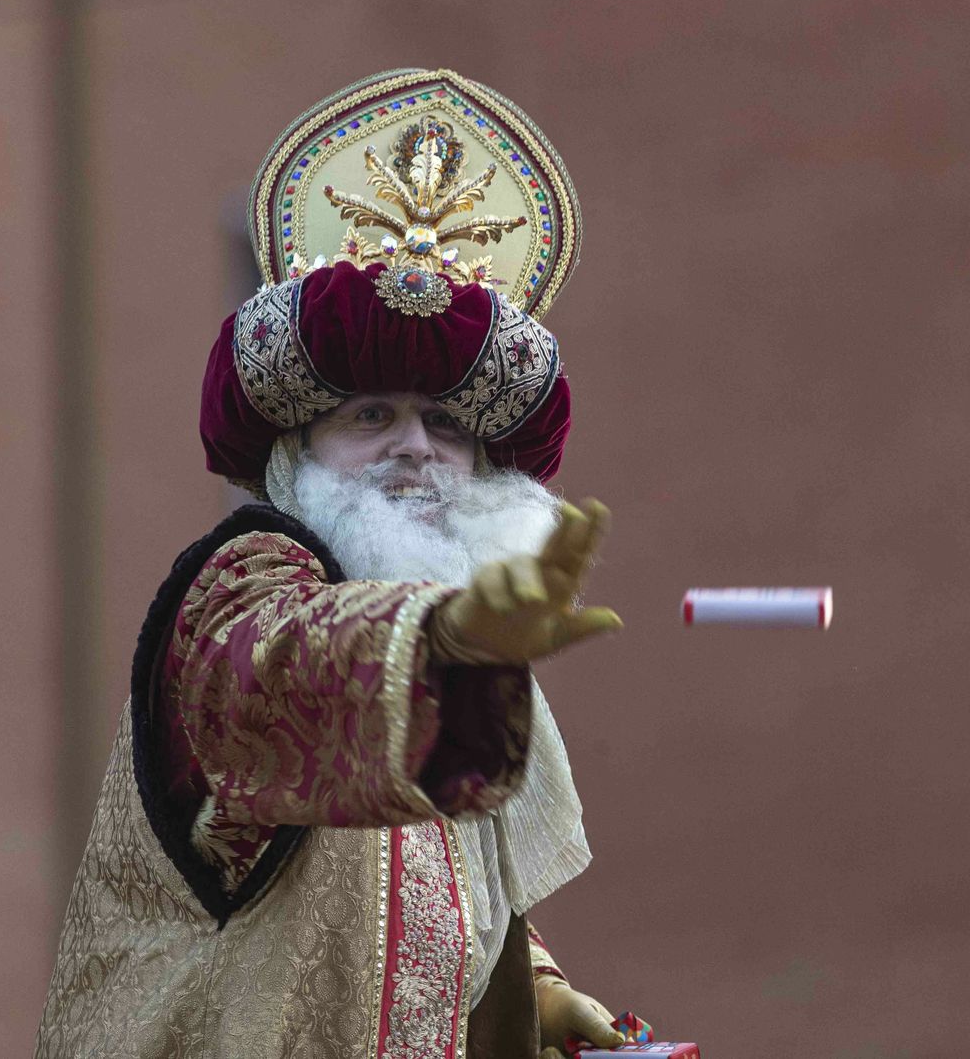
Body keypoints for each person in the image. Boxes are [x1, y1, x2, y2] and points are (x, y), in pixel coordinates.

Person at [35, 68, 640, 1059]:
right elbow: (275, 682)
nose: (415, 447)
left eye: (445, 423)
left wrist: (533, 994)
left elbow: (424, 882)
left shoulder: (448, 694)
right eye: (370, 415)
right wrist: (442, 638)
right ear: (295, 452)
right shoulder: (247, 579)